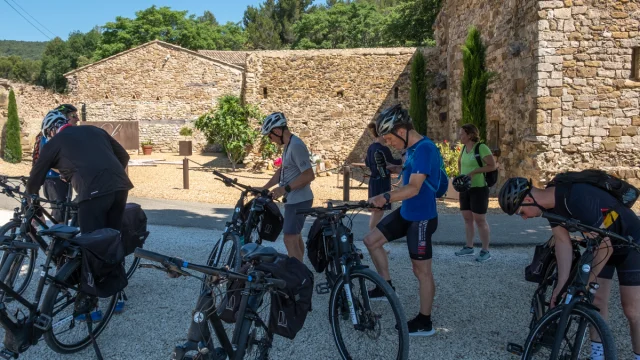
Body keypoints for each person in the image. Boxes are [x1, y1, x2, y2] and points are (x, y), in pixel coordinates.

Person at [499, 177, 640, 360]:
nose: (524, 217)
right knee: (596, 301)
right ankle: (599, 356)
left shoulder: (575, 197)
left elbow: (606, 245)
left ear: (528, 200)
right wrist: (561, 285)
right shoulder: (550, 208)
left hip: (630, 242)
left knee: (632, 310)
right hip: (603, 243)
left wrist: (586, 284)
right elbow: (562, 242)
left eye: (521, 212)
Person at [364, 104, 442, 336]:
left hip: (422, 218)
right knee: (371, 240)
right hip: (407, 213)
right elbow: (408, 175)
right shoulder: (412, 150)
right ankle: (386, 286)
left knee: (421, 271)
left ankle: (424, 321)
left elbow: (414, 188)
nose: (388, 143)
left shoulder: (425, 148)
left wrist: (385, 196)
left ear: (401, 130)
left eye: (389, 137)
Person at [27, 110, 133, 234]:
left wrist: (36, 209)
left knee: (91, 240)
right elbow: (124, 156)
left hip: (93, 191)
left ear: (51, 130)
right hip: (120, 186)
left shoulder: (55, 142)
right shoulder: (94, 130)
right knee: (113, 236)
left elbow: (35, 178)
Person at [259, 112, 315, 262]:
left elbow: (309, 175)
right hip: (294, 199)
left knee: (289, 239)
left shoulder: (296, 146)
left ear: (277, 131)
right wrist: (264, 187)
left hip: (299, 200)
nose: (270, 140)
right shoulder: (289, 145)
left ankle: (297, 276)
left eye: (269, 136)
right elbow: (282, 171)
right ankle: (301, 270)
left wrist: (284, 189)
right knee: (295, 237)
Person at [454, 124, 497, 262]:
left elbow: (492, 165)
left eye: (462, 134)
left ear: (470, 135)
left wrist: (474, 172)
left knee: (480, 220)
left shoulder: (481, 148)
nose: (460, 136)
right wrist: (461, 177)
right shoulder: (463, 149)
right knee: (467, 218)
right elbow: (460, 163)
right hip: (465, 188)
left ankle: (485, 250)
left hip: (479, 188)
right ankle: (469, 247)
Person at [31, 104, 80, 223]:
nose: (77, 119)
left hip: (59, 179)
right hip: (53, 179)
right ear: (64, 118)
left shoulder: (63, 135)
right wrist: (66, 173)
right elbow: (48, 161)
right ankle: (57, 240)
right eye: (74, 115)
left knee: (60, 211)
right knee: (60, 215)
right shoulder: (49, 136)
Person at [364, 122, 401, 231]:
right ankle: (372, 235)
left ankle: (372, 234)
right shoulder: (383, 149)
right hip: (382, 181)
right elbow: (393, 162)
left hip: (373, 180)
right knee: (379, 210)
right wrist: (404, 160)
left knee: (375, 210)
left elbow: (367, 162)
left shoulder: (371, 147)